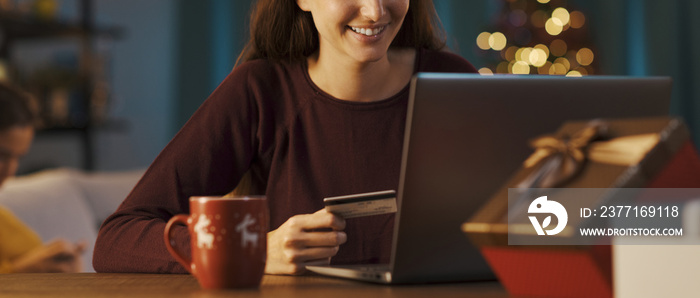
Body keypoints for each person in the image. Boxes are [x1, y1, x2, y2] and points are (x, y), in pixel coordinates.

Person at [93, 0, 477, 275]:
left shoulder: (452, 83)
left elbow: (535, 220)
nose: (375, 11)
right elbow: (116, 239)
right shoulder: (259, 90)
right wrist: (251, 251)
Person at [0, 83, 85, 273]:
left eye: (18, 157)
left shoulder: (5, 221)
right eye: (1, 156)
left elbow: (35, 257)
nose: (10, 171)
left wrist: (63, 265)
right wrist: (21, 271)